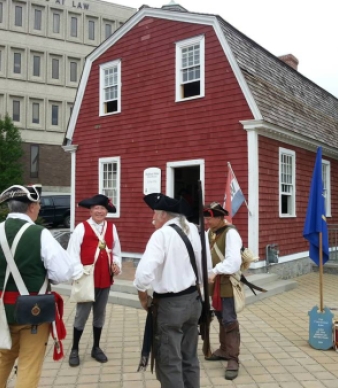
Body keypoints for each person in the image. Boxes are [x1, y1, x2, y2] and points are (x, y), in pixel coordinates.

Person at [0, 184, 83, 388]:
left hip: (2, 310)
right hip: (33, 312)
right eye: (38, 204)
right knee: (29, 365)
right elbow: (63, 272)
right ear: (31, 207)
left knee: (3, 359)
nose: (38, 208)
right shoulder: (41, 233)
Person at [134, 193, 202, 388]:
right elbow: (204, 269)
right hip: (193, 301)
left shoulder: (161, 235)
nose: (152, 219)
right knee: (189, 358)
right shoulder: (193, 231)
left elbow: (143, 275)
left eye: (154, 214)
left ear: (164, 215)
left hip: (170, 306)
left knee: (169, 362)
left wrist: (142, 297)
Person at [67, 194, 122, 367]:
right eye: (96, 208)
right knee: (81, 315)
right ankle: (74, 349)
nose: (99, 211)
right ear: (90, 210)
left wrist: (116, 264)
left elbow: (116, 252)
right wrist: (79, 275)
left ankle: (96, 347)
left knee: (100, 314)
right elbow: (72, 253)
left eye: (103, 208)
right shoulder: (81, 228)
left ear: (107, 211)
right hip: (86, 278)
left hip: (105, 278)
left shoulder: (112, 228)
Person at [203, 202, 242, 381]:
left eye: (210, 217)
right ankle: (224, 349)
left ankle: (233, 359)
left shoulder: (231, 233)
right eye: (206, 217)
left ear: (220, 218)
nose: (207, 220)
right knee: (219, 316)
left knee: (229, 319)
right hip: (213, 281)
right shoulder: (209, 232)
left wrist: (215, 271)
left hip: (225, 281)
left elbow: (233, 261)